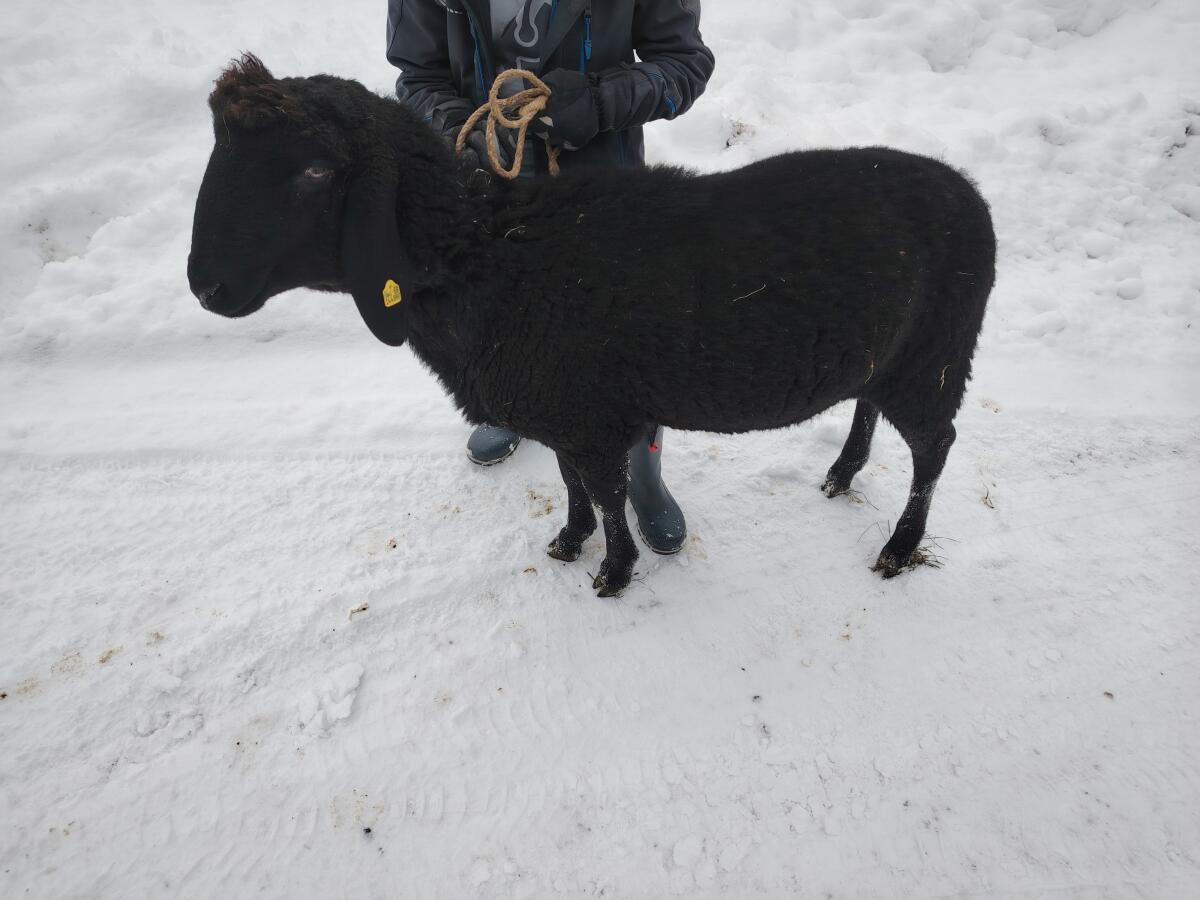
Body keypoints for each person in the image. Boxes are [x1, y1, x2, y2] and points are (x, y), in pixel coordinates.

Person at [385, 0, 714, 554]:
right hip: (487, 191)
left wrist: (602, 100)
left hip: (599, 194)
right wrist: (458, 132)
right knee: (501, 326)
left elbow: (684, 64)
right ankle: (512, 407)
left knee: (625, 346)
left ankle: (642, 472)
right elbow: (417, 74)